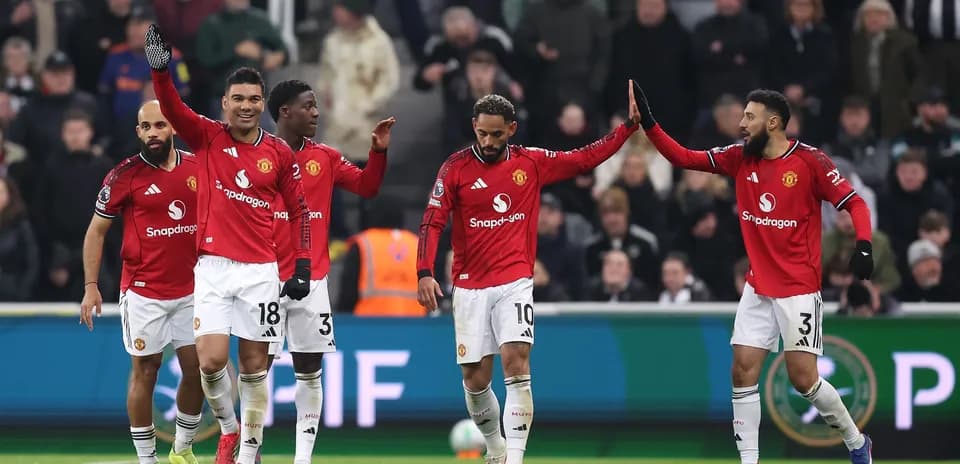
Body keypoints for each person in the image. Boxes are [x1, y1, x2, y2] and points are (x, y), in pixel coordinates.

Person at [631, 83, 874, 463]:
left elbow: (855, 202)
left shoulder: (810, 162)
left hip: (798, 290)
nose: (741, 124)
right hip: (758, 287)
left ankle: (857, 443)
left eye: (749, 117)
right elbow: (683, 158)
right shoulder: (739, 158)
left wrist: (863, 244)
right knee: (742, 373)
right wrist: (649, 123)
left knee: (804, 381)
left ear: (773, 122)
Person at [416, 82, 641, 464]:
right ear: (474, 126)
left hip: (515, 281)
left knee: (517, 362)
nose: (488, 141)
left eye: (497, 134)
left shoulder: (530, 162)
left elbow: (584, 158)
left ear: (512, 130)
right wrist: (424, 271)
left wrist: (626, 129)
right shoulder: (454, 168)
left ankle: (515, 458)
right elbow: (432, 221)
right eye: (482, 133)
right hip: (469, 285)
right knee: (475, 379)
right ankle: (497, 448)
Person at [146, 25, 312, 464]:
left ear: (263, 104)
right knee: (211, 361)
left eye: (254, 99)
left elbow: (300, 213)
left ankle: (246, 456)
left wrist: (302, 266)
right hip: (213, 269)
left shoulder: (279, 153)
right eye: (237, 98)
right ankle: (230, 429)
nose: (245, 106)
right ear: (224, 103)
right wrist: (161, 73)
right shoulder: (207, 136)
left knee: (256, 369)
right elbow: (172, 108)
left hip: (260, 271)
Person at [264, 79, 392, 463]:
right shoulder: (256, 156)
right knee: (256, 369)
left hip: (312, 278)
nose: (316, 113)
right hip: (263, 278)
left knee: (309, 368)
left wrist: (378, 153)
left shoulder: (326, 158)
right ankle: (246, 449)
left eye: (316, 106)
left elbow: (367, 187)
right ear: (285, 112)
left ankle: (302, 458)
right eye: (308, 106)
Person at [79, 100, 203, 464]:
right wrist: (90, 286)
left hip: (194, 290)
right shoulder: (123, 176)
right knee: (145, 370)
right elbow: (95, 232)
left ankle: (182, 449)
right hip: (144, 291)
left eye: (160, 125)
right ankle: (146, 459)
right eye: (146, 127)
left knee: (199, 368)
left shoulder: (199, 168)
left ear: (174, 128)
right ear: (138, 132)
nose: (153, 133)